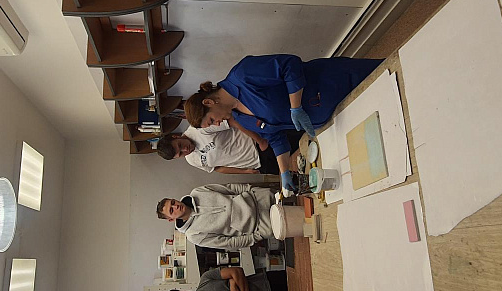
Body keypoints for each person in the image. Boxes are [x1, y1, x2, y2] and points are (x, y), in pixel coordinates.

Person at [184, 54, 382, 191]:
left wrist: (295, 106)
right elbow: (275, 137)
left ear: (209, 102)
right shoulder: (240, 117)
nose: (217, 124)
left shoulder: (242, 75)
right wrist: (284, 171)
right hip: (333, 115)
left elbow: (290, 65)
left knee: (387, 75)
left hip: (334, 83)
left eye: (211, 120)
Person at [156, 183, 275, 251]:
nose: (176, 206)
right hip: (260, 225)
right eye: (171, 210)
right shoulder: (193, 235)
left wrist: (251, 190)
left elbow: (229, 188)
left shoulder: (197, 192)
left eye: (173, 202)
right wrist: (258, 235)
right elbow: (229, 243)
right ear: (171, 219)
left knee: (286, 196)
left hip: (259, 197)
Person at [156, 120, 280, 175]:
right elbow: (218, 168)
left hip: (259, 145)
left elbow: (233, 121)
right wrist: (246, 171)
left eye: (180, 145)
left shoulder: (198, 128)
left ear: (176, 136)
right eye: (181, 154)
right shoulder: (191, 160)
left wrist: (260, 140)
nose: (185, 150)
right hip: (257, 165)